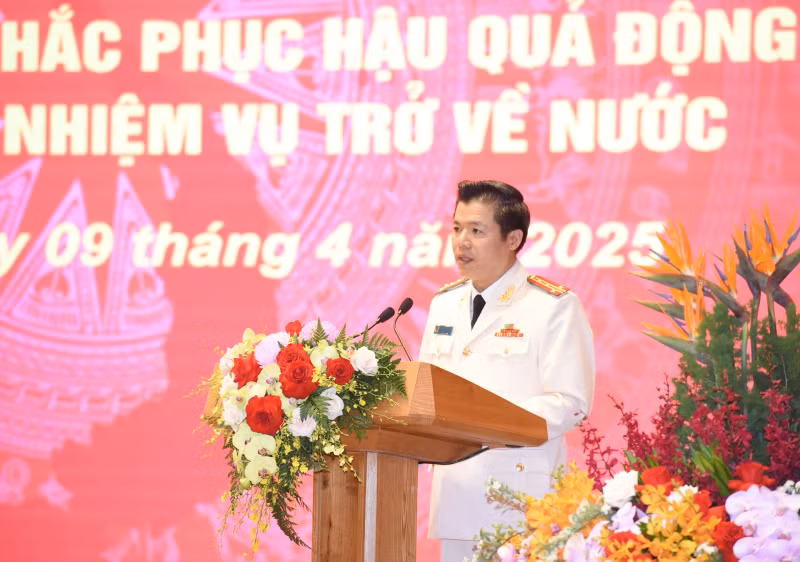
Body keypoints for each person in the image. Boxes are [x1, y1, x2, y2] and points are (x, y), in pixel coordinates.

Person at [418, 180, 596, 562]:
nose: (461, 242)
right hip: (454, 499)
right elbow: (427, 391)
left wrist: (489, 422)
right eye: (456, 228)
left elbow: (571, 402)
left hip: (521, 504)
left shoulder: (552, 306)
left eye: (476, 231)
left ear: (513, 238)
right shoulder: (444, 304)